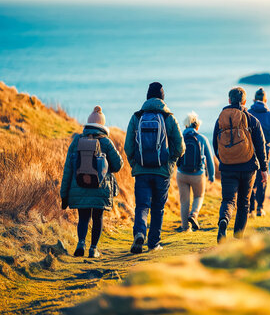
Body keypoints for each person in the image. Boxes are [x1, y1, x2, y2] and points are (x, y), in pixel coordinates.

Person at [125, 82, 185, 253]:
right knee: (158, 208)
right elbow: (180, 147)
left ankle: (139, 233)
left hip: (142, 171)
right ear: (162, 97)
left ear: (147, 97)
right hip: (162, 172)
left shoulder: (137, 117)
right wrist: (170, 161)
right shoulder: (168, 117)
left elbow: (128, 147)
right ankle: (153, 243)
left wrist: (135, 164)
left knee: (142, 205)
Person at [60, 106, 123, 258]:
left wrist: (64, 194)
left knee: (83, 217)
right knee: (97, 218)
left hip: (79, 187)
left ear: (88, 124)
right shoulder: (106, 143)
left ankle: (81, 243)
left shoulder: (77, 141)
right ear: (102, 126)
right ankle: (93, 249)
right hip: (100, 189)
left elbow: (68, 168)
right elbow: (118, 165)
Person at [213, 87, 268, 243]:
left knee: (228, 200)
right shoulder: (252, 120)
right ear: (244, 101)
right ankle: (238, 238)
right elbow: (260, 145)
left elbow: (215, 145)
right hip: (248, 167)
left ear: (229, 100)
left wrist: (225, 159)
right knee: (244, 202)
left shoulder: (220, 119)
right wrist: (263, 169)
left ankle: (224, 220)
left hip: (227, 168)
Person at [176, 111, 215, 232]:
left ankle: (185, 228)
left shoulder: (180, 138)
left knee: (184, 201)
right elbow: (209, 159)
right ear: (197, 126)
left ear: (186, 126)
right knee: (199, 196)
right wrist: (212, 175)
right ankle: (193, 215)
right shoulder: (202, 138)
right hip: (198, 174)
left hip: (181, 174)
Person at [247, 87, 270, 217]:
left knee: (250, 177)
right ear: (265, 99)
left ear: (254, 99)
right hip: (266, 150)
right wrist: (268, 142)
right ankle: (260, 208)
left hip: (250, 150)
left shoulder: (248, 113)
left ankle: (250, 208)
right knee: (263, 177)